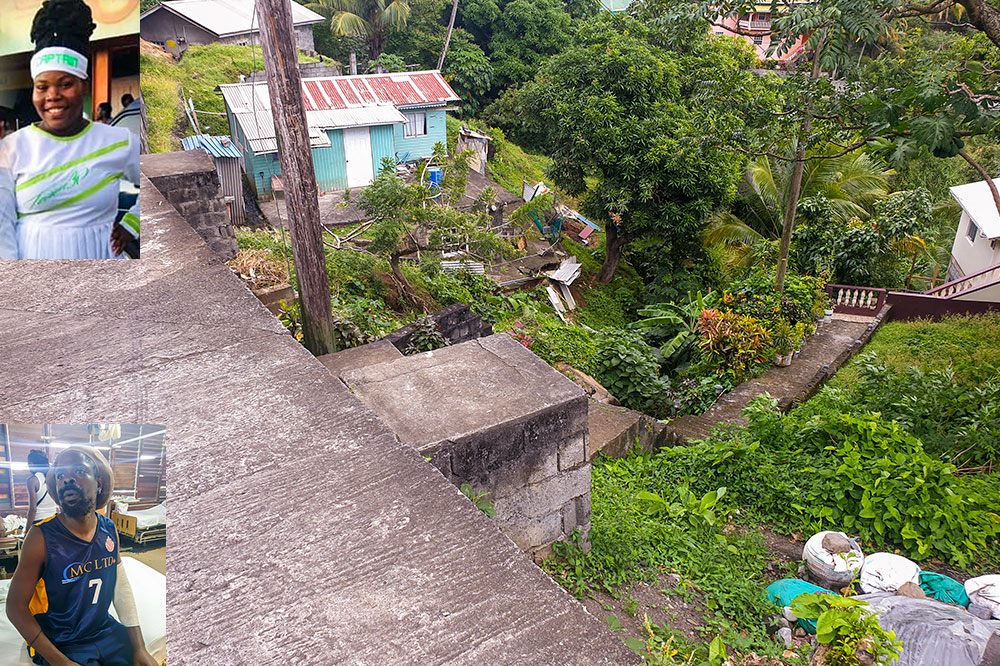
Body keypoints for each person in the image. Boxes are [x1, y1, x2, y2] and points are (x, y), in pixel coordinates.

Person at [0, 0, 139, 259]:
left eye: (65, 84)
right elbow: (2, 227)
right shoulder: (10, 149)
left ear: (83, 86)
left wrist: (133, 224)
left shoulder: (120, 141)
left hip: (104, 267)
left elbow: (154, 188)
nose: (52, 96)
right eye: (42, 87)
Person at [5, 446, 158, 666]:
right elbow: (14, 607)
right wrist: (61, 662)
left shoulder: (109, 529)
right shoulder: (39, 537)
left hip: (103, 632)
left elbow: (120, 585)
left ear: (99, 483)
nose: (67, 479)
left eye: (78, 471)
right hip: (61, 642)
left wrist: (139, 647)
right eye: (60, 476)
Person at [25, 449, 59, 532]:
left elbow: (32, 510)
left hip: (39, 523)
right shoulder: (53, 477)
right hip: (54, 521)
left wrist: (27, 531)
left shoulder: (33, 480)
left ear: (32, 463)